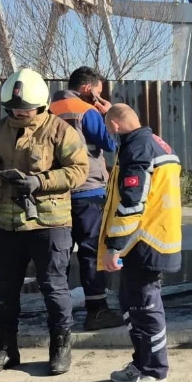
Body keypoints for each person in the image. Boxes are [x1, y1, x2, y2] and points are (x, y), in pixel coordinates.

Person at [0, 68, 89, 377]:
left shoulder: (60, 131)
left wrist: (40, 181)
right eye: (14, 109)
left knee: (54, 287)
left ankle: (60, 347)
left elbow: (79, 170)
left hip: (49, 224)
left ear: (41, 105)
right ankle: (5, 350)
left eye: (25, 109)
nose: (19, 113)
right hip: (5, 224)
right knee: (5, 289)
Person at [98, 104, 182, 382]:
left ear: (116, 127)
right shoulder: (150, 140)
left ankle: (155, 373)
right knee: (133, 304)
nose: (108, 133)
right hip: (148, 239)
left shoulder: (137, 149)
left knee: (145, 308)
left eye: (109, 127)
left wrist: (113, 247)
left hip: (143, 242)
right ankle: (142, 363)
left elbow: (133, 202)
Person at [49, 66, 121, 331]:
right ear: (88, 88)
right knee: (91, 253)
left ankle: (59, 316)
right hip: (88, 191)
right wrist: (108, 112)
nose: (99, 97)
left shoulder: (47, 110)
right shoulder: (86, 110)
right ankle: (97, 312)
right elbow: (111, 144)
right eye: (98, 92)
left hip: (55, 193)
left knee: (59, 255)